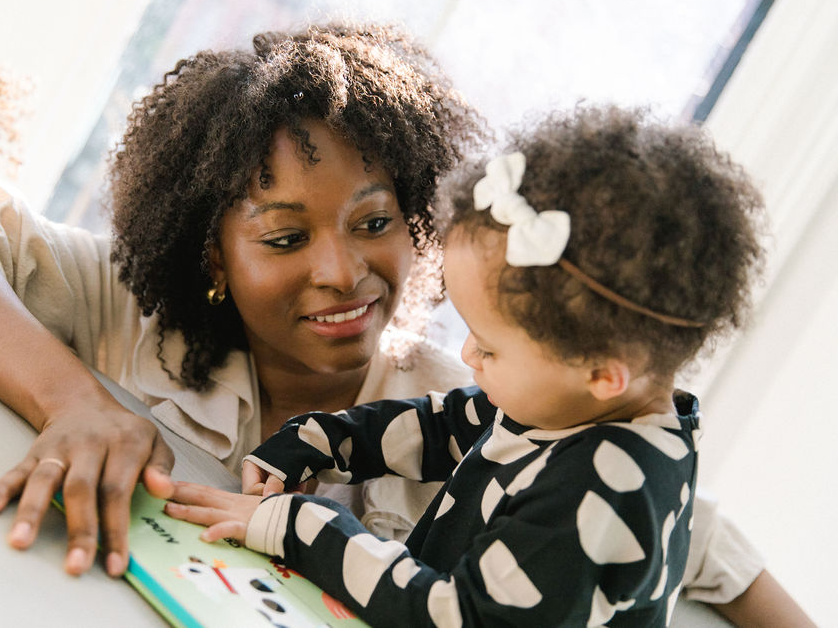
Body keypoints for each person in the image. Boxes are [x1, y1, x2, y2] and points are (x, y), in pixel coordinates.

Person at [0, 23, 810, 625]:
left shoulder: (517, 413)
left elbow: (703, 542)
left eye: (374, 223)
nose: (341, 268)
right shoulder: (126, 314)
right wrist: (71, 400)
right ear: (211, 251)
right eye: (286, 235)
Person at [161, 104, 762, 626]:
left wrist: (295, 525)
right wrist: (317, 441)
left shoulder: (602, 491)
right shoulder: (570, 405)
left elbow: (455, 617)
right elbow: (441, 427)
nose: (468, 355)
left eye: (490, 346)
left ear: (604, 371)